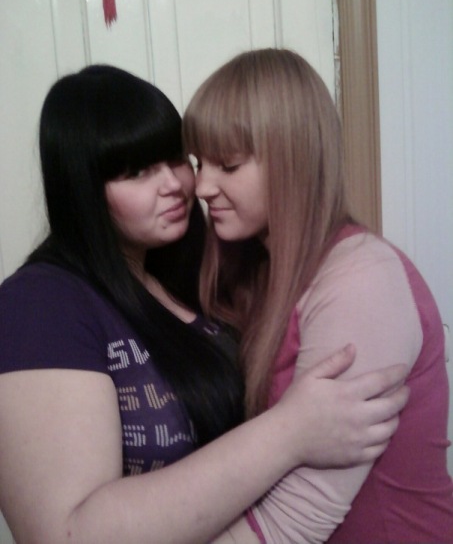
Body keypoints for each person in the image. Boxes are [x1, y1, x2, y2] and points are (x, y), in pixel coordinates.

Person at [0, 64, 410, 544]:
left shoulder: (194, 276)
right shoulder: (40, 303)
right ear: (82, 190)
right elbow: (62, 535)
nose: (178, 184)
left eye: (177, 158)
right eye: (138, 172)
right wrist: (290, 431)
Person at [183, 48, 453, 543]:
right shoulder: (263, 272)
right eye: (200, 163)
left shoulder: (361, 280)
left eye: (228, 165)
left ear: (295, 160)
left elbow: (294, 520)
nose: (201, 186)